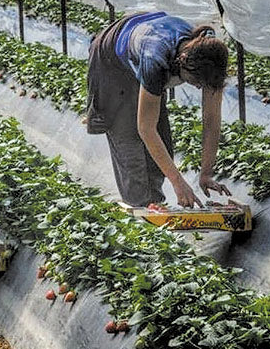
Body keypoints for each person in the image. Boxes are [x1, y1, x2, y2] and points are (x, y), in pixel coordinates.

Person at [86, 11, 231, 208]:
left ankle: (154, 205)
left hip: (143, 41)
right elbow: (146, 128)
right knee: (130, 149)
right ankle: (140, 209)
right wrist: (179, 183)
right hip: (111, 62)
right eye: (194, 82)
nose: (198, 87)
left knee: (161, 145)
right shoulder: (155, 58)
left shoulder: (210, 54)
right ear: (182, 62)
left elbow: (212, 120)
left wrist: (206, 173)